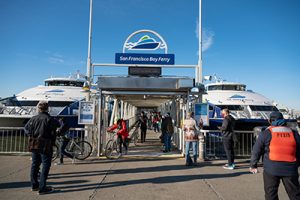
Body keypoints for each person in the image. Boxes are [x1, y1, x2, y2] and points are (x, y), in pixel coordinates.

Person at [250, 111, 300, 200]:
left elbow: (256, 150)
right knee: (295, 195)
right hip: (290, 169)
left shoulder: (266, 133)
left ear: (270, 121)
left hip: (271, 169)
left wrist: (253, 165)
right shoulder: (294, 133)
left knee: (271, 195)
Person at [24, 101, 60, 195]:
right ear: (47, 109)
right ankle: (42, 188)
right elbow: (58, 127)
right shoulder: (50, 119)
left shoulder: (33, 118)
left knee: (35, 164)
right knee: (45, 165)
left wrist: (31, 135)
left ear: (39, 109)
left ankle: (34, 185)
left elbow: (26, 128)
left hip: (34, 143)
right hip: (46, 144)